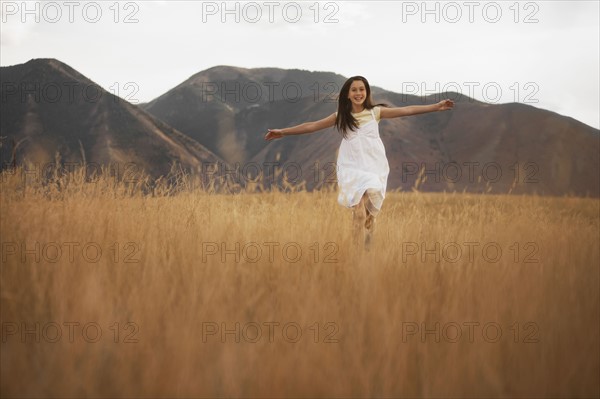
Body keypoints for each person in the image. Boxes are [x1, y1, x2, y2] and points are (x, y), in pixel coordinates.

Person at [265, 76, 454, 249]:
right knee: (359, 212)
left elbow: (407, 109)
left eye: (362, 89)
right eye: (354, 90)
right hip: (351, 168)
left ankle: (368, 246)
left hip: (374, 167)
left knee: (369, 215)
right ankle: (357, 254)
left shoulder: (375, 113)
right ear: (347, 94)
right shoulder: (340, 116)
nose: (358, 93)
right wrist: (283, 132)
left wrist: (435, 107)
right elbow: (312, 126)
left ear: (367, 92)